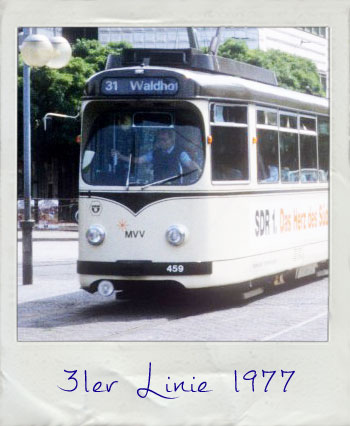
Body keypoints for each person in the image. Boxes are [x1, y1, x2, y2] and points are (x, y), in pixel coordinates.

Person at [114, 128, 201, 183]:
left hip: (175, 188)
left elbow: (189, 163)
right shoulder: (155, 153)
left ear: (172, 140)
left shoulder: (180, 153)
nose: (161, 142)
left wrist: (200, 171)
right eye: (159, 140)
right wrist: (120, 156)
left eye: (164, 140)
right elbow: (139, 160)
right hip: (157, 186)